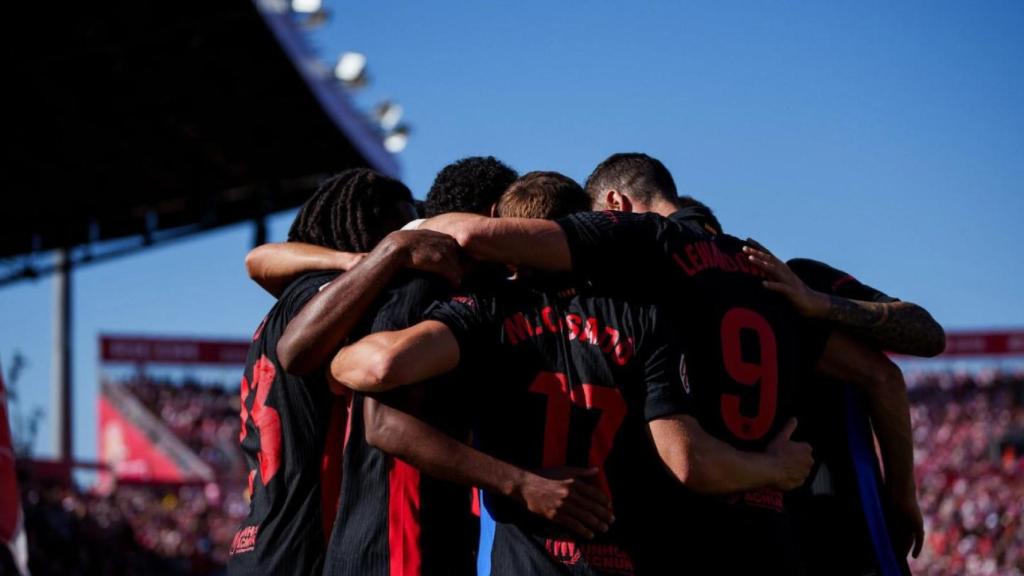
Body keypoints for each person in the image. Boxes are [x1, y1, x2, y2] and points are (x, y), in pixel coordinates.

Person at [331, 172, 817, 575]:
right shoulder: (643, 317)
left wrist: (337, 356)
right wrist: (774, 469)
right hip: (623, 558)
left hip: (524, 559)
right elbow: (687, 462)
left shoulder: (486, 311)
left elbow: (379, 366)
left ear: (506, 230)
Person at [228, 168, 462, 576]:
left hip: (260, 542)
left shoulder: (287, 305)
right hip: (306, 548)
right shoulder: (326, 306)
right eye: (400, 227)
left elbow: (259, 260)